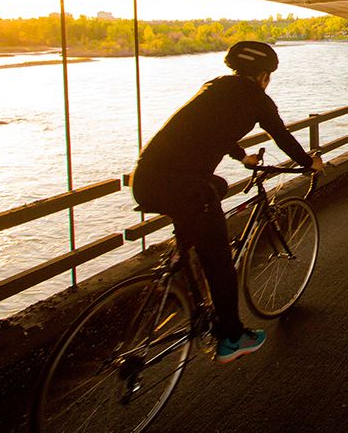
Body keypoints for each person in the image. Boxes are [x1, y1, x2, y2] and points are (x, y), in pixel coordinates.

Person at [130, 41, 324, 364]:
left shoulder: (214, 88)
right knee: (219, 259)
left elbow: (210, 129)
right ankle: (231, 338)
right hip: (180, 185)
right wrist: (308, 162)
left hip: (147, 179)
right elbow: (282, 136)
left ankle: (186, 276)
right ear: (264, 75)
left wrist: (241, 155)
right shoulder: (258, 101)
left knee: (216, 186)